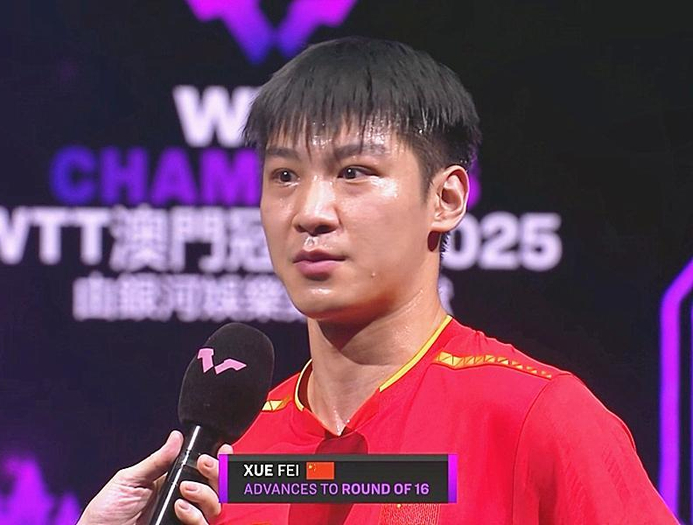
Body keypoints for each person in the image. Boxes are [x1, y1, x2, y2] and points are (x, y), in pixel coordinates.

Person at [79, 37, 677, 524]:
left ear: (445, 199)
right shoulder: (229, 463)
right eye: (284, 175)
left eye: (354, 172)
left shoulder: (535, 418)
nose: (310, 212)